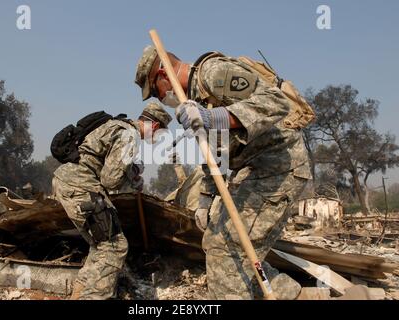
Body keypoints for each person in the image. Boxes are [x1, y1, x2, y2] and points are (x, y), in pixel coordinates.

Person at [135, 46, 311, 299]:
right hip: (251, 171)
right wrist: (205, 201)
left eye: (155, 90)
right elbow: (213, 154)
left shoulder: (213, 73)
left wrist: (214, 116)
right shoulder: (193, 102)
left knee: (225, 252)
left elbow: (277, 102)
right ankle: (287, 293)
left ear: (164, 74)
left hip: (277, 168)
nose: (159, 98)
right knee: (217, 240)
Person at [52, 103, 172, 300]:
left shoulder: (116, 124)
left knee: (100, 247)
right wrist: (131, 172)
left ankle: (79, 295)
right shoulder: (129, 134)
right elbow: (110, 179)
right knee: (114, 246)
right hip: (81, 185)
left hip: (68, 182)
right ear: (156, 126)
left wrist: (131, 170)